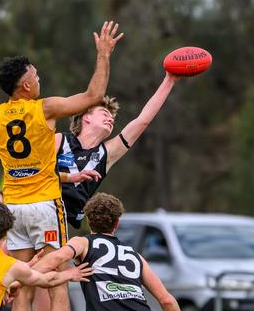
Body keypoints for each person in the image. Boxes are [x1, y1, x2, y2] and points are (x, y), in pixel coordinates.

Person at [0, 21, 123, 311]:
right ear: (26, 85)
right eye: (37, 76)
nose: (40, 79)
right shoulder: (43, 109)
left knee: (24, 282)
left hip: (12, 207)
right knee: (57, 281)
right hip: (45, 204)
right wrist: (103, 55)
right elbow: (94, 96)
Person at [32, 193, 202, 311]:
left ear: (89, 220)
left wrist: (23, 278)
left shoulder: (82, 243)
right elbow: (166, 300)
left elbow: (55, 258)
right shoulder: (135, 256)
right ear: (117, 223)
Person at [56, 72, 183, 229]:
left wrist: (169, 80)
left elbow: (142, 121)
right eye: (104, 113)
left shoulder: (106, 153)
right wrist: (70, 177)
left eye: (112, 118)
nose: (110, 119)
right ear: (85, 117)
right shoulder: (60, 140)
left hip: (61, 223)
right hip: (38, 207)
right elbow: (34, 171)